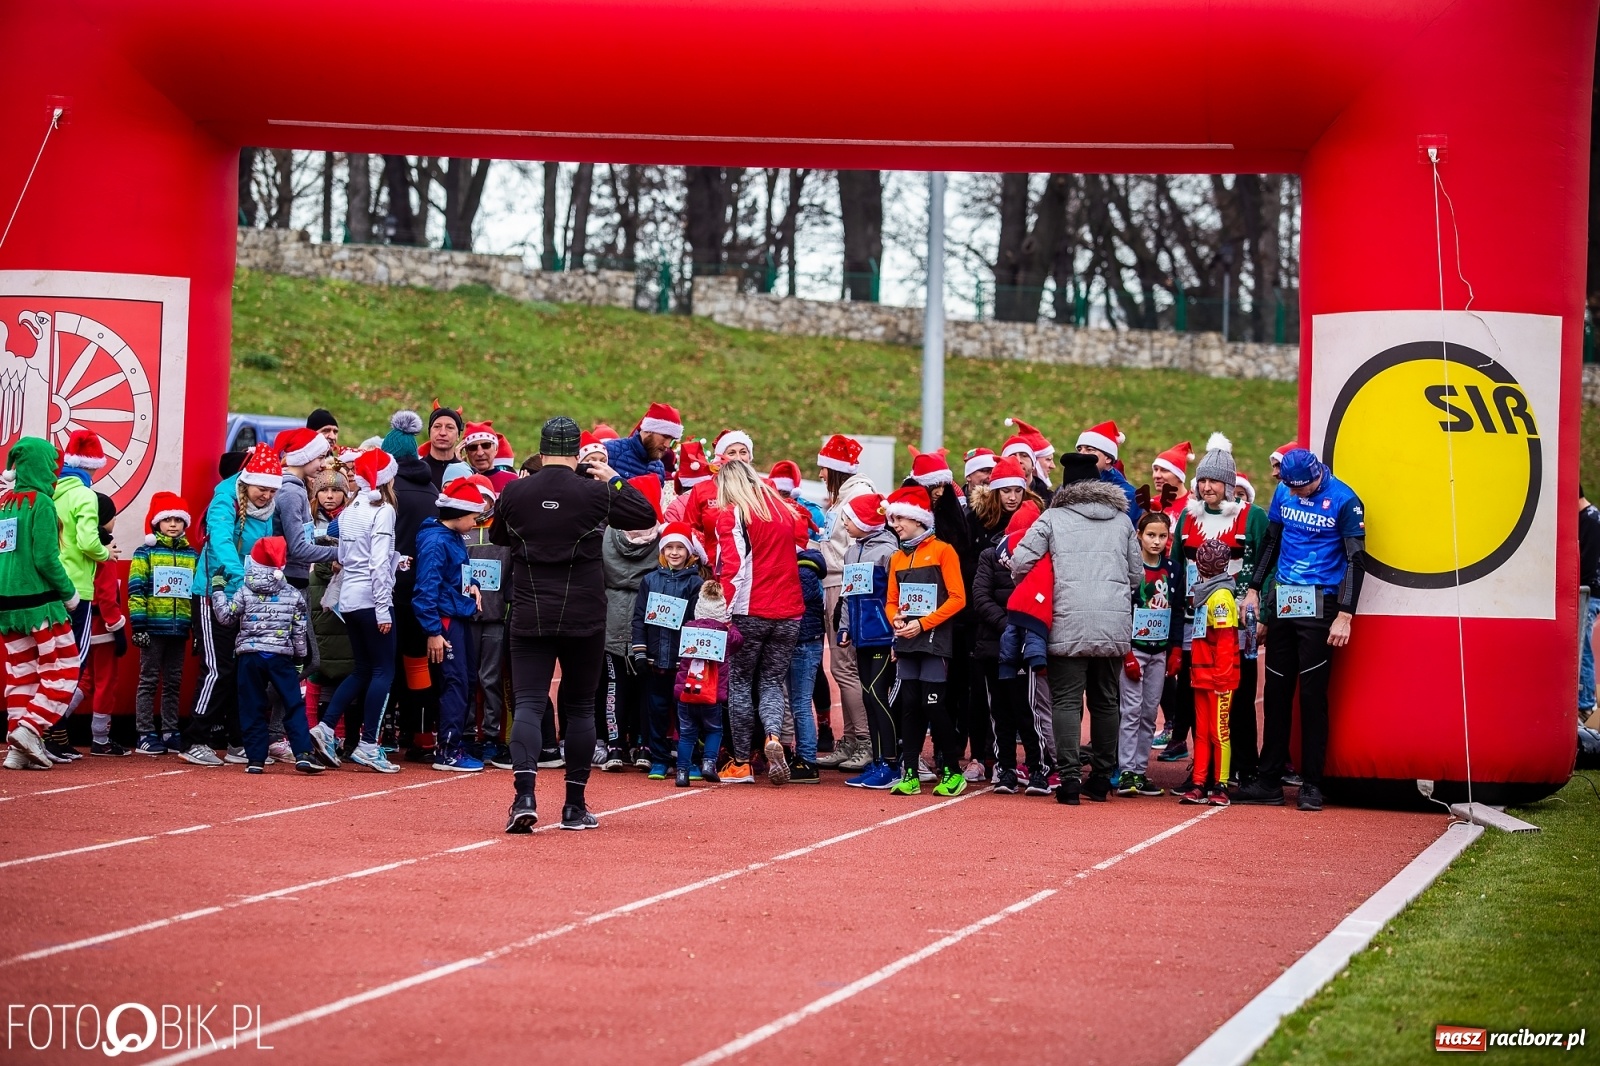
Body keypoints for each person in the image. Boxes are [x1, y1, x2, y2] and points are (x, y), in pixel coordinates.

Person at [494, 416, 656, 832]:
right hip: (584, 614)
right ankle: (573, 805)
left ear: (542, 448)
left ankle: (524, 796)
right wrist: (614, 477)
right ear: (576, 452)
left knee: (530, 702)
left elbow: (498, 536)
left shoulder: (514, 490)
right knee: (581, 706)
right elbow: (643, 514)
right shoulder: (595, 491)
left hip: (530, 612)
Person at [1236, 448, 1366, 813]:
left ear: (1317, 475)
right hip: (1284, 599)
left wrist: (1346, 614)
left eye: (1303, 488)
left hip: (1321, 602)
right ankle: (1268, 781)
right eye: (1290, 488)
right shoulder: (1285, 492)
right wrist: (1255, 591)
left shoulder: (1344, 500)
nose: (1296, 494)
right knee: (1275, 691)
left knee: (1312, 697)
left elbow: (1357, 560)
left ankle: (1312, 784)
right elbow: (1271, 543)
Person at [1009, 451, 1142, 804]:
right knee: (1107, 700)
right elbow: (1137, 575)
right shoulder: (1122, 520)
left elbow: (1020, 560)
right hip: (1113, 624)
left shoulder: (1052, 518)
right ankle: (1100, 779)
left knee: (1066, 701)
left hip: (1066, 620)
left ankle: (1068, 782)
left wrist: (1041, 580)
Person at [1161, 435, 1266, 772]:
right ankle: (1204, 765)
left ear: (1229, 484)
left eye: (1215, 481)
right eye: (1203, 480)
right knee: (1197, 695)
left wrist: (1258, 603)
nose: (1207, 487)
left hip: (1237, 625)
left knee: (1240, 697)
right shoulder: (1189, 519)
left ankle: (1244, 767)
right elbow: (1176, 565)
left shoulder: (1251, 517)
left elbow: (1267, 563)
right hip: (1195, 622)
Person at [179, 444, 284, 767]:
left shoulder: (266, 507)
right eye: (261, 489)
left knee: (244, 669)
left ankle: (239, 740)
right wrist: (245, 581)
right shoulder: (225, 500)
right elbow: (221, 545)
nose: (266, 496)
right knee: (218, 667)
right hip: (215, 593)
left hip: (248, 596)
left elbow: (265, 547)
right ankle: (195, 738)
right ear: (246, 481)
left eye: (270, 490)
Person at [713, 459, 807, 785]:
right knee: (771, 683)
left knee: (739, 683)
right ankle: (772, 737)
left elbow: (734, 567)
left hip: (750, 609)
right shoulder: (784, 510)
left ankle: (740, 762)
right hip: (790, 611)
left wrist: (723, 612)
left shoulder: (734, 513)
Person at [312, 448, 401, 774]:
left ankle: (325, 728)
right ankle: (368, 744)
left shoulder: (350, 510)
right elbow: (377, 561)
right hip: (370, 598)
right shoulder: (383, 509)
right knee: (383, 671)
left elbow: (341, 547)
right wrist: (383, 609)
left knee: (363, 669)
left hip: (348, 599)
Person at [1, 438, 83, 772]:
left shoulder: (5, 503)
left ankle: (17, 751)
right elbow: (46, 558)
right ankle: (29, 729)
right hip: (41, 604)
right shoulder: (42, 504)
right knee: (64, 671)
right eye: (53, 465)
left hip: (7, 605)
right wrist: (69, 593)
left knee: (22, 676)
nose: (55, 472)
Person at [882, 485, 968, 797]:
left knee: (933, 705)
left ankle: (952, 772)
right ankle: (910, 774)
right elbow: (891, 601)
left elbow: (958, 599)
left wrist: (922, 625)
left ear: (919, 520)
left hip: (933, 641)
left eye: (901, 518)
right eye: (893, 519)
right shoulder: (897, 558)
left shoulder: (943, 551)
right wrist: (897, 620)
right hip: (907, 642)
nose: (896, 524)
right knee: (909, 706)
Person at [211, 536, 322, 775]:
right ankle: (303, 753)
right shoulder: (294, 594)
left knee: (251, 707)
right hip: (281, 657)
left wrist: (218, 589)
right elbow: (299, 631)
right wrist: (300, 659)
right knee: (293, 705)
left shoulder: (244, 590)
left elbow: (226, 618)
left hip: (249, 656)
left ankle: (255, 759)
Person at [971, 487, 1045, 795]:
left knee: (1028, 711)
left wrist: (1023, 629)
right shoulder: (990, 556)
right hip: (994, 646)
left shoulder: (1043, 559)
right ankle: (1006, 769)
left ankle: (1038, 768)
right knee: (999, 711)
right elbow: (980, 596)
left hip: (1028, 648)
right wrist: (1010, 626)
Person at [411, 479, 489, 772]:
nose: (475, 522)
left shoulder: (451, 536)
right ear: (457, 515)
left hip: (456, 615)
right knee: (455, 682)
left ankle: (453, 741)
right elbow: (425, 589)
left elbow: (454, 576)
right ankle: (447, 749)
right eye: (472, 517)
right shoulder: (436, 542)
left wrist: (473, 586)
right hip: (444, 620)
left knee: (465, 679)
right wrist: (433, 631)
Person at [814, 433, 877, 773]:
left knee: (844, 666)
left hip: (842, 584)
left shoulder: (857, 496)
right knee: (842, 667)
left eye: (824, 468)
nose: (821, 475)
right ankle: (851, 739)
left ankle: (865, 740)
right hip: (834, 581)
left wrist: (817, 548)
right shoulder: (843, 498)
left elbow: (850, 547)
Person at [384, 411, 442, 763]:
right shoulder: (432, 490)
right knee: (419, 664)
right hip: (423, 590)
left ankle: (384, 735)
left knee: (383, 666)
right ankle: (422, 737)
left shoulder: (386, 493)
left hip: (388, 589)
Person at [50, 429, 112, 760]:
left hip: (50, 586)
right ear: (92, 465)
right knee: (74, 663)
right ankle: (53, 735)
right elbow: (89, 543)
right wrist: (107, 553)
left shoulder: (53, 492)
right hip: (78, 589)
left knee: (50, 662)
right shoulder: (86, 496)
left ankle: (53, 734)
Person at [633, 522, 710, 779]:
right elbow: (639, 618)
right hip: (655, 661)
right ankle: (659, 759)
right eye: (669, 547)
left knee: (687, 714)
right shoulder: (649, 580)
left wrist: (694, 657)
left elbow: (699, 622)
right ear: (662, 550)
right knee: (656, 711)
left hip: (684, 663)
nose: (674, 553)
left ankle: (690, 762)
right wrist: (640, 652)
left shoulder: (696, 583)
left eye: (680, 547)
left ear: (689, 552)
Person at [836, 493, 900, 788]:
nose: (845, 524)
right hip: (861, 637)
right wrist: (845, 627)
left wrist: (897, 634)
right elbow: (849, 596)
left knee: (877, 696)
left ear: (864, 521)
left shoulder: (889, 551)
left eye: (849, 518)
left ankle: (892, 763)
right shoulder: (851, 552)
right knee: (867, 696)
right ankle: (877, 762)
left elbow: (898, 594)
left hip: (884, 635)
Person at [600, 475, 663, 772]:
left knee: (615, 685)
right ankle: (644, 743)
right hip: (648, 622)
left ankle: (614, 744)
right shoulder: (664, 542)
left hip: (612, 616)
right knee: (646, 686)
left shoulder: (607, 535)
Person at [129, 491, 199, 755]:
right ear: (156, 523)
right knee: (148, 680)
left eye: (178, 520)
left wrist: (195, 629)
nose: (173, 524)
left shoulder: (191, 555)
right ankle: (144, 733)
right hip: (151, 628)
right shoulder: (144, 553)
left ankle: (170, 731)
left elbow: (195, 594)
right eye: (167, 519)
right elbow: (136, 590)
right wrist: (138, 626)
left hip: (179, 628)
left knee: (173, 681)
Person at [1115, 510, 1177, 798]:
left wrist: (1175, 648)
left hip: (1159, 651)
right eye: (1151, 535)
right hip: (1135, 650)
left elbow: (1176, 612)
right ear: (1139, 535)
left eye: (1162, 536)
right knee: (1131, 710)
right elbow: (1123, 610)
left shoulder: (1172, 570)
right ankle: (1126, 769)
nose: (1156, 541)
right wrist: (1126, 651)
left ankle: (1140, 771)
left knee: (1150, 713)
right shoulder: (1132, 569)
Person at [1179, 538, 1239, 806]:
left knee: (1220, 732)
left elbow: (1225, 643)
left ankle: (1221, 784)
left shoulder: (1222, 596)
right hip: (1201, 676)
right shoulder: (1205, 593)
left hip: (1218, 678)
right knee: (1202, 732)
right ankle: (1199, 783)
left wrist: (1221, 678)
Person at [457, 474, 511, 767]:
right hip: (465, 618)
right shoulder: (459, 532)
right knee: (465, 679)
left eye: (484, 498)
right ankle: (466, 735)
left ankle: (492, 738)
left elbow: (513, 575)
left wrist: (507, 607)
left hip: (494, 618)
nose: (479, 505)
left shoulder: (502, 532)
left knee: (489, 679)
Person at [73, 492, 130, 756]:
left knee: (83, 680)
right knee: (106, 682)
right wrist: (116, 629)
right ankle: (101, 739)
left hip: (83, 623)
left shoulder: (78, 544)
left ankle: (51, 724)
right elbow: (108, 595)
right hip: (103, 627)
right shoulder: (105, 550)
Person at [673, 580, 741, 786]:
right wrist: (728, 624)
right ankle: (709, 763)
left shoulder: (688, 630)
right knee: (714, 730)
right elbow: (739, 642)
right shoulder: (726, 633)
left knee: (686, 734)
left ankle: (682, 773)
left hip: (687, 693)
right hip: (712, 695)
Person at [272, 427, 339, 589]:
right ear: (305, 456)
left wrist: (323, 541)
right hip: (290, 580)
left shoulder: (296, 488)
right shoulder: (291, 492)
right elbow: (298, 548)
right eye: (320, 458)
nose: (323, 465)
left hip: (293, 576)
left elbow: (296, 537)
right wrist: (343, 552)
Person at [786, 540, 828, 784]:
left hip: (804, 642)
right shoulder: (803, 569)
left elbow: (792, 601)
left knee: (801, 703)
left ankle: (808, 761)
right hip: (800, 640)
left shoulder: (803, 572)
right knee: (796, 702)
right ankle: (803, 756)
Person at [1074, 419, 1139, 521]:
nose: (1081, 454)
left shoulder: (1129, 495)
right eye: (1079, 449)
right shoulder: (1069, 486)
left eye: (1089, 449)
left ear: (1108, 458)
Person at [605, 402, 681, 481]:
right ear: (649, 430)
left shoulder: (659, 469)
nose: (667, 445)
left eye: (672, 440)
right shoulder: (609, 452)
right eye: (665, 436)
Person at [1580, 486, 1600, 722]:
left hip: (1590, 592)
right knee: (1581, 644)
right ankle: (1585, 700)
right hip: (1588, 591)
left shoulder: (1591, 520)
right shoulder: (1588, 518)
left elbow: (1588, 563)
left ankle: (1586, 702)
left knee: (1583, 645)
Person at [461, 420, 516, 493]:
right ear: (466, 452)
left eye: (486, 446)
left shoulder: (512, 481)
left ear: (496, 448)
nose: (480, 453)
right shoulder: (461, 479)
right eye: (473, 447)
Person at [421, 403, 464, 488]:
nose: (442, 433)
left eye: (450, 427)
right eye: (437, 426)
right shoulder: (416, 470)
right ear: (429, 432)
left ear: (458, 436)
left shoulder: (467, 473)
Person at [1151, 441, 1193, 517]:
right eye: (1155, 469)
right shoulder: (1151, 505)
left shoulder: (1194, 506)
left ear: (1179, 476)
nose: (1157, 475)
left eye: (1164, 470)